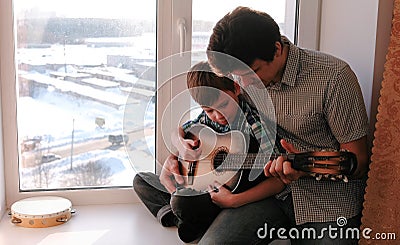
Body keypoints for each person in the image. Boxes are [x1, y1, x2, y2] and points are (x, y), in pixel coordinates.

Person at [164, 6, 370, 244]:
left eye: (252, 73)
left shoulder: (334, 77)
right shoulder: (243, 77)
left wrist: (304, 166)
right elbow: (204, 119)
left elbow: (359, 162)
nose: (244, 84)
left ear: (277, 49)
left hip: (327, 202)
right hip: (268, 194)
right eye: (237, 77)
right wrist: (180, 147)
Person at [133, 61, 285, 243]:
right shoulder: (206, 119)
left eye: (223, 105)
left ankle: (183, 213)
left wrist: (234, 200)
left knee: (182, 202)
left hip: (230, 196)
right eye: (209, 110)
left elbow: (279, 182)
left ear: (236, 89)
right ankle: (177, 215)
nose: (217, 115)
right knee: (141, 180)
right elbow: (180, 131)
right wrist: (181, 146)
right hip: (204, 187)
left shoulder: (255, 125)